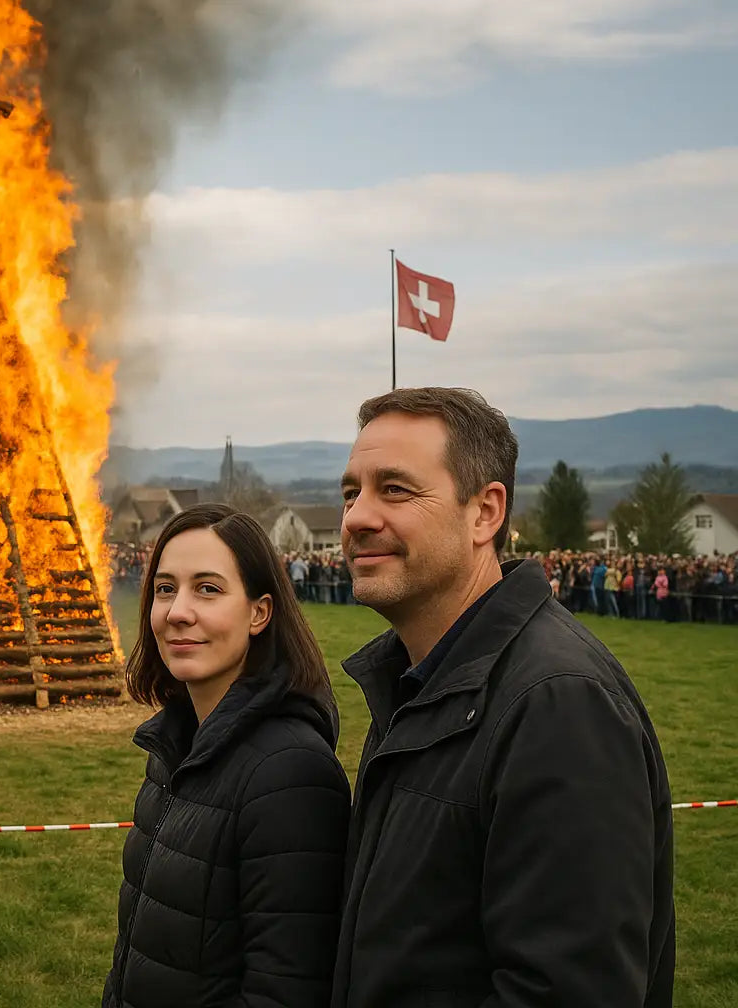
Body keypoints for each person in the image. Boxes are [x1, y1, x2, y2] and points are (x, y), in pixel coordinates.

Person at [333, 388, 673, 1008]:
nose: (356, 517)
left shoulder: (560, 704)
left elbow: (566, 989)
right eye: (351, 491)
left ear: (485, 513)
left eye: (395, 490)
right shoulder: (418, 679)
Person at [104, 503, 350, 1008]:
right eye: (165, 588)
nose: (178, 611)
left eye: (208, 589)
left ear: (259, 612)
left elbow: (286, 989)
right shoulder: (174, 750)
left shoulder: (289, 773)